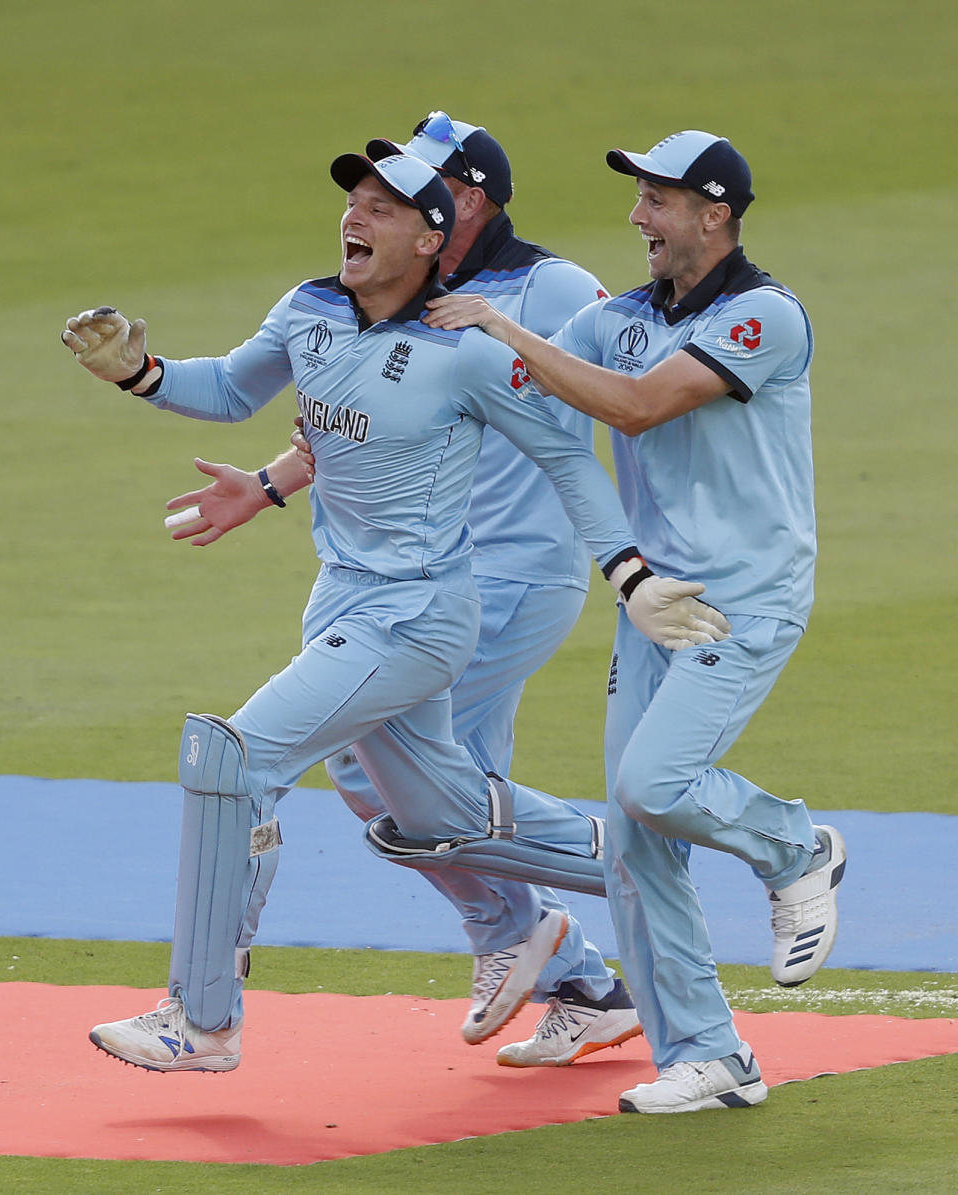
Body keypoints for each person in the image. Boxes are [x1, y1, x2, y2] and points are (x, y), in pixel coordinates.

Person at [61, 149, 729, 1074]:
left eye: (382, 207)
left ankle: (202, 1019)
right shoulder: (309, 311)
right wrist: (141, 372)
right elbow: (230, 388)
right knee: (440, 813)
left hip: (416, 616)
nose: (356, 217)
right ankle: (671, 854)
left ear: (430, 238)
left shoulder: (468, 350)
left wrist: (629, 575)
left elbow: (570, 457)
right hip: (342, 600)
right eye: (352, 202)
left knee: (233, 760)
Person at [165, 112, 644, 1069]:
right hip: (433, 571)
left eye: (413, 184)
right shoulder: (391, 297)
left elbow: (624, 390)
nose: (378, 204)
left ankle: (566, 923)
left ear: (465, 200)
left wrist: (639, 550)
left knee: (419, 789)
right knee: (411, 786)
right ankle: (576, 963)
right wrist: (267, 485)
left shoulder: (543, 286)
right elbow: (358, 424)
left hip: (509, 570)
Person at [425, 129, 848, 1113]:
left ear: (714, 213)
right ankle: (709, 1055)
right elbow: (506, 386)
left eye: (657, 199)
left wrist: (508, 328)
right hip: (651, 604)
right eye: (639, 198)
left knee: (654, 785)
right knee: (632, 837)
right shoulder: (620, 317)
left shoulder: (764, 317)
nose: (638, 218)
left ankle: (796, 848)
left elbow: (641, 407)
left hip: (743, 597)